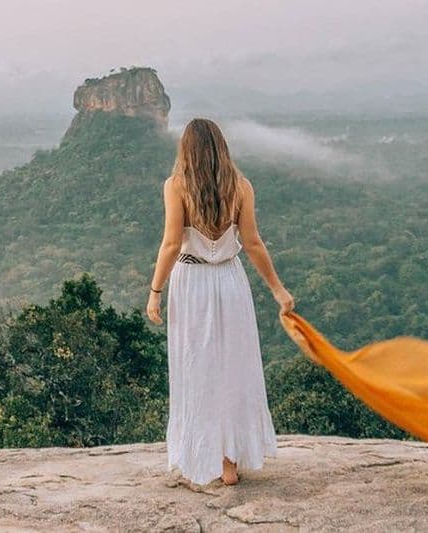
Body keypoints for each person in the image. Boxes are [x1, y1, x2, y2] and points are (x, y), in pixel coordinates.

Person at [146, 117, 294, 486]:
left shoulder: (176, 186)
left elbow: (169, 244)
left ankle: (202, 457)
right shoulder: (241, 186)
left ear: (187, 151)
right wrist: (278, 290)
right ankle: (229, 460)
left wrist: (155, 292)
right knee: (232, 368)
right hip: (230, 280)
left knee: (197, 368)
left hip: (191, 281)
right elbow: (254, 243)